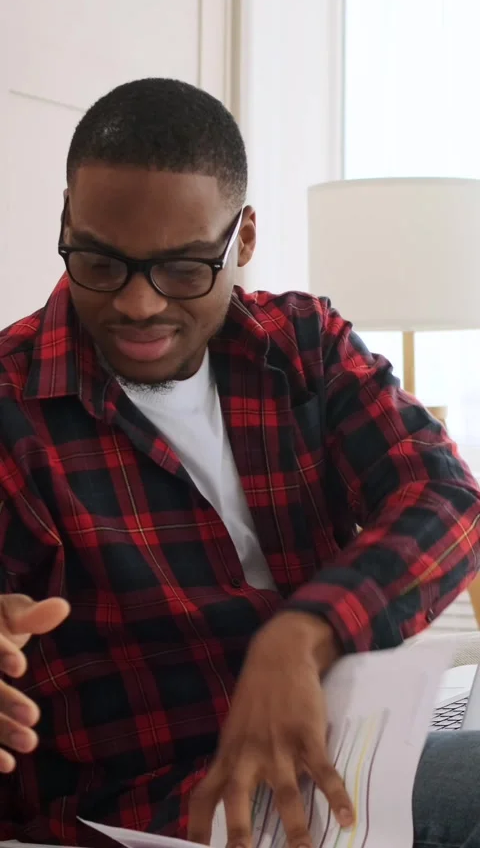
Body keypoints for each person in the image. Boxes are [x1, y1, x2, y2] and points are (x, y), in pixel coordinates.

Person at [0, 78, 479, 848]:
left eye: (186, 269)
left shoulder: (303, 346)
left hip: (342, 767)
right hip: (154, 815)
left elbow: (449, 499)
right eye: (100, 262)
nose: (139, 304)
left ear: (243, 239)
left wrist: (307, 627)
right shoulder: (11, 405)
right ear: (65, 222)